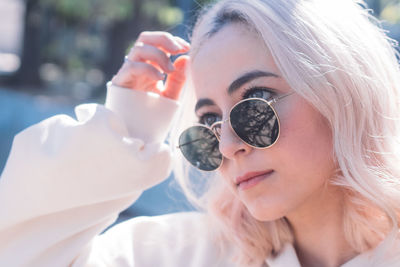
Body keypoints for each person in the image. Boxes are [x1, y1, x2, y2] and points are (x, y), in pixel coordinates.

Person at [1, 0, 400, 266]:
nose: (227, 146)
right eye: (208, 123)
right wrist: (125, 126)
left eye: (255, 100)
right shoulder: (178, 254)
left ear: (342, 91)